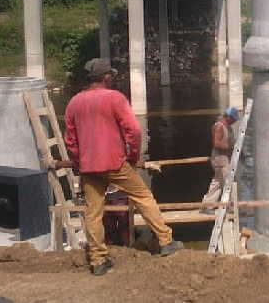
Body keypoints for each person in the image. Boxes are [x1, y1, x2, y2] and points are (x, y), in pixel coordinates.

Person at [64, 58, 183, 276]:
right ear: (106, 77)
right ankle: (166, 241)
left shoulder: (74, 102)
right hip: (114, 162)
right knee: (143, 197)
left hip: (89, 166)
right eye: (112, 75)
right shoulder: (115, 98)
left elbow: (70, 140)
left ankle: (98, 260)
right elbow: (134, 131)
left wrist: (79, 161)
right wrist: (133, 156)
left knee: (93, 211)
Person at [200, 107, 240, 211]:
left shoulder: (228, 127)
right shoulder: (219, 127)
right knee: (229, 181)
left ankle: (207, 206)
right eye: (234, 119)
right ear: (228, 117)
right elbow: (216, 143)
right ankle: (231, 208)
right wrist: (232, 148)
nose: (234, 122)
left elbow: (231, 143)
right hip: (220, 159)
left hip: (225, 158)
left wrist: (240, 152)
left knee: (217, 183)